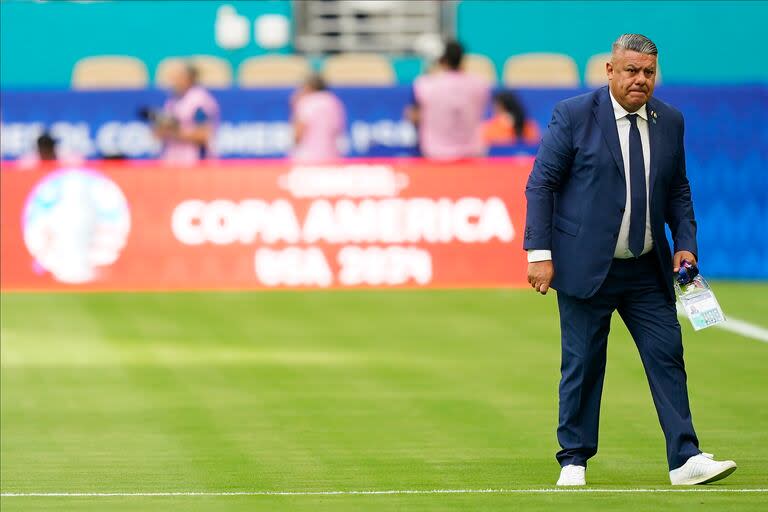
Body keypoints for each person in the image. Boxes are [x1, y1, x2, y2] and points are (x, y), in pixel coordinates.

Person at [523, 34, 736, 486]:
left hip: (646, 268)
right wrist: (539, 253)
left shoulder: (669, 120)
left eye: (649, 72)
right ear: (610, 71)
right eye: (632, 71)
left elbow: (678, 189)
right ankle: (574, 461)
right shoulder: (574, 115)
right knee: (582, 365)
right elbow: (541, 184)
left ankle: (685, 459)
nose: (641, 80)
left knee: (667, 356)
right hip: (585, 267)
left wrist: (686, 244)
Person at [406, 40, 490, 160]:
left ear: (442, 60)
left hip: (435, 155)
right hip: (472, 154)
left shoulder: (424, 85)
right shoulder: (480, 85)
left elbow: (414, 117)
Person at [154, 62, 220, 165]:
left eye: (179, 76)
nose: (174, 80)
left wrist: (175, 133)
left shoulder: (199, 100)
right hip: (171, 159)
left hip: (194, 161)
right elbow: (159, 132)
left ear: (190, 79)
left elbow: (204, 134)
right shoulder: (172, 100)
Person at [291, 75, 346, 162]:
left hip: (307, 158)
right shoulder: (334, 102)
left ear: (309, 87)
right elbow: (338, 130)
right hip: (331, 156)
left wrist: (294, 107)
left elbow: (298, 134)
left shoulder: (306, 102)